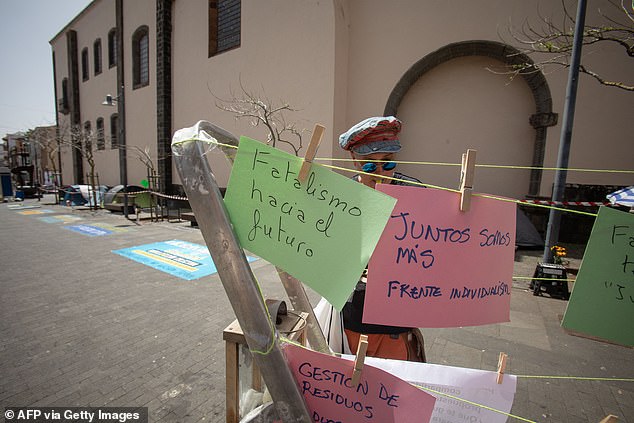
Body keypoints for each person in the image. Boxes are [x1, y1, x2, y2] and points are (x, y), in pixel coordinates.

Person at [337, 115, 425, 362]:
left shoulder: (416, 195)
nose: (379, 172)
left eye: (387, 163)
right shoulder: (340, 199)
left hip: (397, 325)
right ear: (354, 161)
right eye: (369, 164)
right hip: (353, 320)